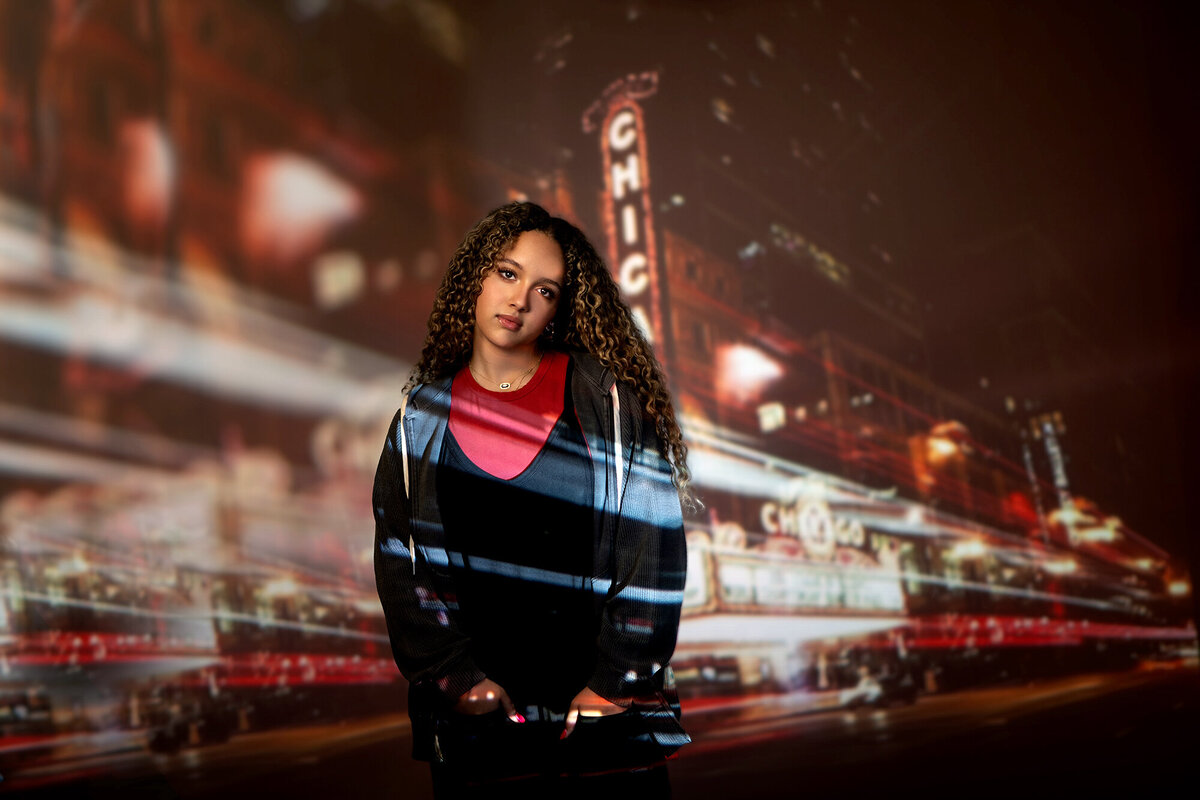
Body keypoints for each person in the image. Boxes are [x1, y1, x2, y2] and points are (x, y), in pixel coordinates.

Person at [372, 201, 694, 798]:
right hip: (483, 733)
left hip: (602, 724)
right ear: (475, 277)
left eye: (544, 289)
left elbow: (653, 551)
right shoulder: (418, 421)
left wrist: (612, 683)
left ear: (558, 308)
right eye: (507, 273)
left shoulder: (608, 403)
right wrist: (457, 680)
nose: (519, 300)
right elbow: (400, 565)